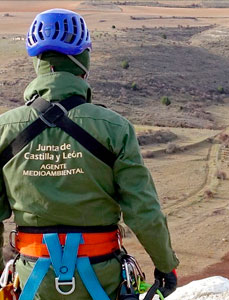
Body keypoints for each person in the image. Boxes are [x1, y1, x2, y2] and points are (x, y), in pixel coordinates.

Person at [0, 8, 179, 300]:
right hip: (101, 276)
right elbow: (143, 210)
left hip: (33, 278)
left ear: (37, 62)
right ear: (83, 58)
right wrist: (165, 266)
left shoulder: (5, 129)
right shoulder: (114, 128)